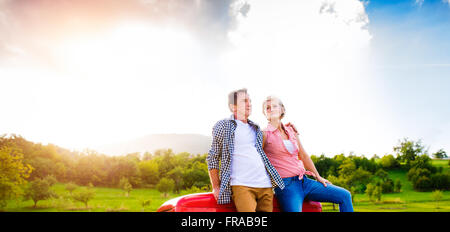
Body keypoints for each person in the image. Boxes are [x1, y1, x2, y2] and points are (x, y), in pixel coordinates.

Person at [262, 96, 353, 212]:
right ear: (264, 113)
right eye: (267, 108)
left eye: (274, 106)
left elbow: (303, 156)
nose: (271, 109)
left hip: (304, 181)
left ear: (282, 110)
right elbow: (256, 159)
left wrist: (318, 176)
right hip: (286, 186)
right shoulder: (263, 134)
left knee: (344, 195)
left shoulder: (291, 131)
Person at [206, 88, 285, 212]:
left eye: (250, 101)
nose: (249, 104)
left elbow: (271, 136)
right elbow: (213, 157)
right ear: (233, 107)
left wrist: (286, 126)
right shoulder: (223, 125)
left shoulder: (256, 128)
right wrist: (216, 186)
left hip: (265, 185)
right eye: (244, 101)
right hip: (241, 185)